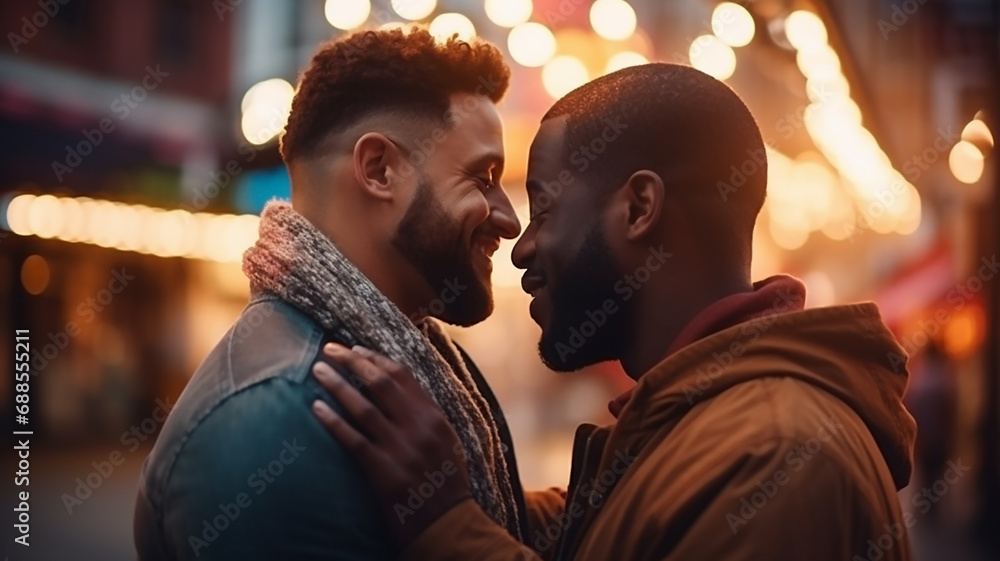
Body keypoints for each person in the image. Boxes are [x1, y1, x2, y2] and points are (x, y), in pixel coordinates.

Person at [311, 63, 919, 561]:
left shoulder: (775, 457)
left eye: (545, 209)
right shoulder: (701, 425)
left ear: (638, 209)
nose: (521, 247)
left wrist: (446, 523)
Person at [133, 27, 528, 560]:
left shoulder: (414, 368)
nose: (507, 219)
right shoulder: (269, 423)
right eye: (483, 177)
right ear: (379, 169)